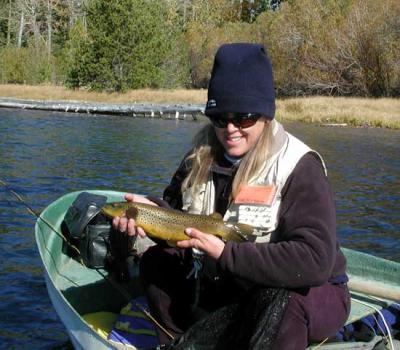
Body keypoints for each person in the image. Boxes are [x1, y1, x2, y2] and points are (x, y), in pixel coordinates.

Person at [113, 43, 350, 349]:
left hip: (313, 293)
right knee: (157, 262)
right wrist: (151, 213)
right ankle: (179, 340)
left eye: (244, 118)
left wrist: (226, 255)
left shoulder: (300, 167)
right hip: (228, 283)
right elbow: (175, 215)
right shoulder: (197, 159)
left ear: (265, 115)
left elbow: (315, 261)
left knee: (281, 302)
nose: (230, 129)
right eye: (220, 117)